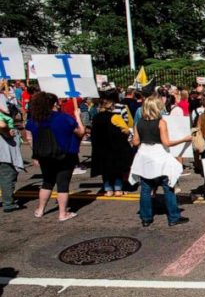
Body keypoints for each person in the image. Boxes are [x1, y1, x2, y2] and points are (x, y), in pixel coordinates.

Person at [128, 96, 191, 227]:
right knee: (168, 187)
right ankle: (173, 217)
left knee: (145, 188)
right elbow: (166, 142)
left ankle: (146, 218)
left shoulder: (139, 122)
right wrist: (184, 139)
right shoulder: (161, 122)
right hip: (160, 155)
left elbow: (135, 142)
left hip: (145, 155)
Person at [26, 93, 86, 221]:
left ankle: (40, 210)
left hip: (44, 155)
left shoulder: (34, 120)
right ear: (54, 104)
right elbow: (81, 132)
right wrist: (78, 117)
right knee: (63, 184)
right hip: (65, 155)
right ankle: (62, 213)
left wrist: (36, 154)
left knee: (47, 182)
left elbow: (29, 137)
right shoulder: (64, 118)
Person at [90, 90, 134, 197]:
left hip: (101, 147)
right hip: (114, 147)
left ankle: (108, 189)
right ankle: (118, 189)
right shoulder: (115, 117)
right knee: (117, 169)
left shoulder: (95, 118)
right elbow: (125, 129)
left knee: (105, 170)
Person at [0, 112, 23, 212]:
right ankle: (8, 203)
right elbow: (2, 124)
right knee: (7, 176)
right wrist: (7, 132)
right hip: (3, 150)